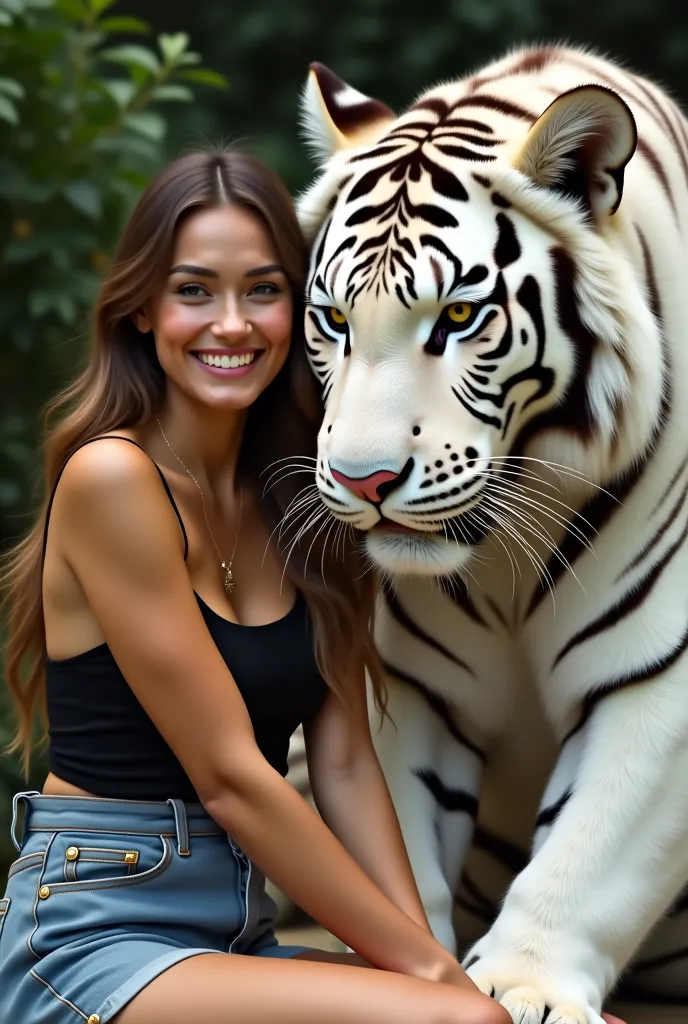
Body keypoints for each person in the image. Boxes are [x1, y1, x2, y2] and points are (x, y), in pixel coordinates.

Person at [0, 149, 510, 1024]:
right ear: (141, 310)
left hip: (234, 926)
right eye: (194, 290)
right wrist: (437, 987)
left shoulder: (304, 498)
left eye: (263, 290)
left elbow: (344, 761)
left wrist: (427, 959)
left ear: (305, 313)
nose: (231, 324)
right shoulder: (113, 481)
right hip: (94, 931)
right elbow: (232, 777)